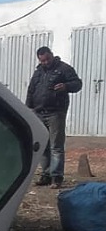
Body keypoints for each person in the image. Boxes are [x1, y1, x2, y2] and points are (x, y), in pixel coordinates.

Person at [25, 46, 82, 189]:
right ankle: (46, 174)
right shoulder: (38, 71)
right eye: (42, 60)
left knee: (56, 146)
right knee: (43, 146)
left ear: (51, 55)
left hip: (56, 112)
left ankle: (56, 177)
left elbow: (77, 84)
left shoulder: (64, 69)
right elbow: (31, 89)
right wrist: (28, 107)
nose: (45, 63)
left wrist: (66, 86)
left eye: (47, 59)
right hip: (38, 112)